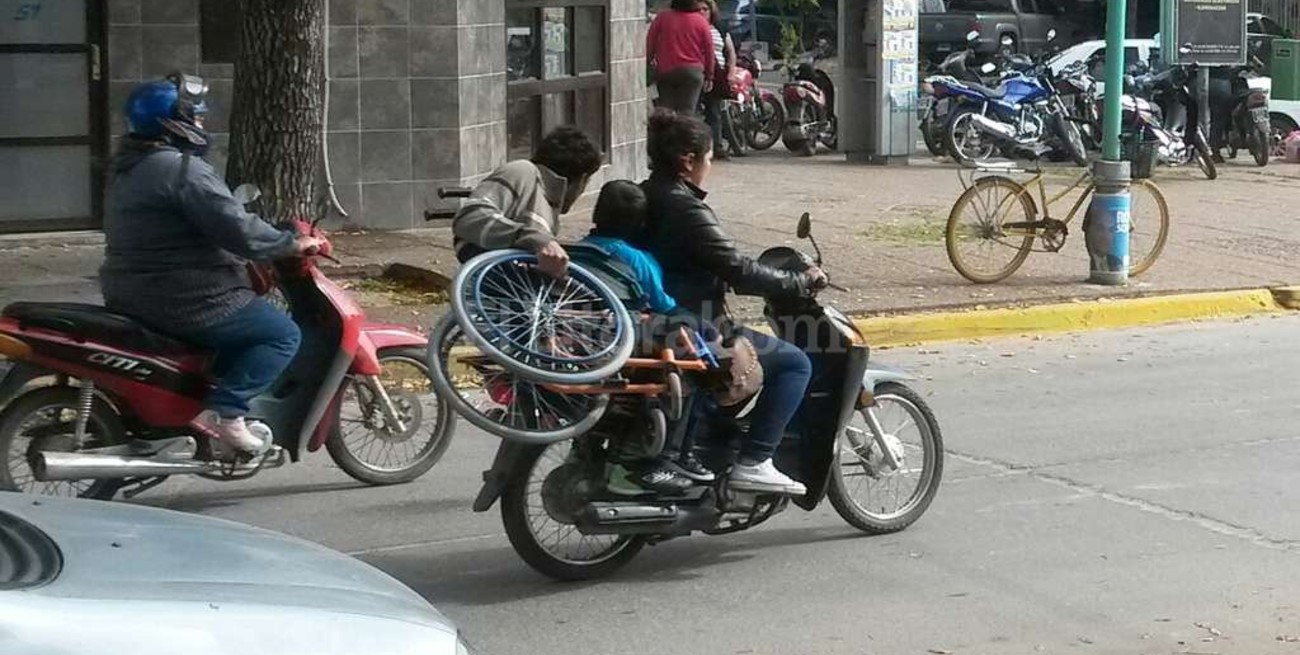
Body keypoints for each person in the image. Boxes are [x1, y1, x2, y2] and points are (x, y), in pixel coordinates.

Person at [100, 73, 325, 456]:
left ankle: (201, 402)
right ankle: (227, 412)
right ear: (173, 123)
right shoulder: (181, 170)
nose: (202, 124)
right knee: (280, 333)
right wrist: (291, 243)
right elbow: (236, 228)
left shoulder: (128, 168)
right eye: (197, 117)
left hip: (131, 291)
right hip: (187, 296)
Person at [642, 109, 825, 496]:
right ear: (688, 161)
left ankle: (712, 441)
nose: (710, 166)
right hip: (693, 323)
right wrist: (798, 281)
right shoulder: (686, 209)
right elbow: (738, 270)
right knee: (794, 363)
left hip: (656, 319)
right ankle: (754, 461)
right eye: (708, 158)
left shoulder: (644, 194)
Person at [582, 180, 706, 495]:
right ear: (640, 223)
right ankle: (666, 458)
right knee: (696, 361)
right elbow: (665, 306)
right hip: (627, 340)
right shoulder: (637, 259)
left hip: (584, 341)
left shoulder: (578, 251)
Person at [452, 127, 602, 277]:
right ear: (582, 180)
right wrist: (534, 238)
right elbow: (469, 218)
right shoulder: (523, 171)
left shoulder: (549, 209)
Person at [646, 0, 716, 115]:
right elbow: (709, 51)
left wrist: (647, 63)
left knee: (666, 112)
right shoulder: (701, 21)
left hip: (666, 71)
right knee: (687, 112)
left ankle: (666, 125)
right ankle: (684, 125)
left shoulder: (662, 18)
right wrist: (709, 76)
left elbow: (650, 43)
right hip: (692, 72)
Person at [701, 0, 744, 159]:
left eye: (705, 9)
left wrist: (731, 72)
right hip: (698, 72)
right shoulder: (694, 26)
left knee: (714, 111)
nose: (702, 12)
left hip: (717, 74)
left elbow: (731, 52)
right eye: (699, 9)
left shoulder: (719, 28)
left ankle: (717, 146)